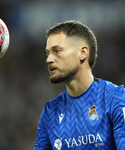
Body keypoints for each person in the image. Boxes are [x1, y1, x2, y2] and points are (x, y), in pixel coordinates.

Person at [33, 20, 125, 150]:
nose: (49, 59)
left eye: (57, 50)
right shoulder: (51, 111)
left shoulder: (115, 98)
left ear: (82, 53)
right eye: (48, 53)